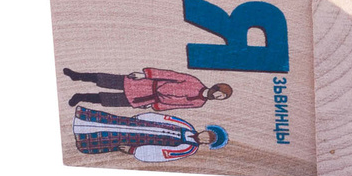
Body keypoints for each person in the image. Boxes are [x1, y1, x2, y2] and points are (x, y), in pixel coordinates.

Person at [72, 106, 228, 163]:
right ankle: (82, 119)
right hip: (138, 124)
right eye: (207, 134)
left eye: (207, 140)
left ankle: (82, 140)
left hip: (138, 141)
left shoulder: (188, 149)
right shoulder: (187, 126)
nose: (204, 137)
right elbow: (164, 118)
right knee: (112, 121)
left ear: (206, 144)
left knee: (110, 138)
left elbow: (162, 154)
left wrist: (134, 151)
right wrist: (143, 117)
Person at [63, 66, 231, 111]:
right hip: (146, 84)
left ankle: (81, 97)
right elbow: (169, 75)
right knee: (108, 80)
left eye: (221, 98)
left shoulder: (199, 103)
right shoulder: (194, 82)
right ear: (216, 87)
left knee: (109, 100)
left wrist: (155, 106)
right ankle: (77, 76)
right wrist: (145, 74)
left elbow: (176, 106)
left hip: (148, 99)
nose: (218, 97)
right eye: (220, 94)